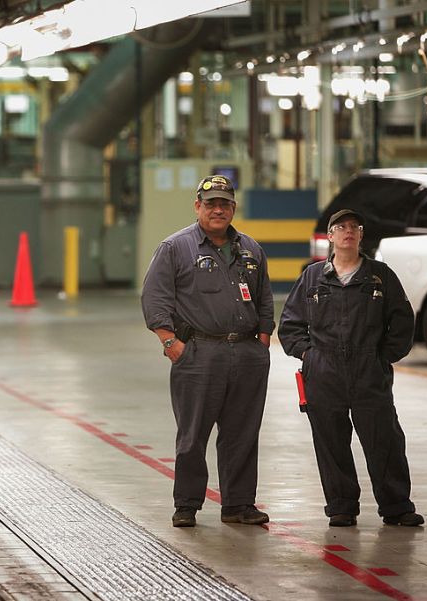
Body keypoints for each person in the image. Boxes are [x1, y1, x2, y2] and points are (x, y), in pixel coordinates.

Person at [141, 174, 274, 528]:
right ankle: (187, 504)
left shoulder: (250, 249)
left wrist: (262, 340)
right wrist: (171, 343)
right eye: (211, 203)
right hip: (198, 353)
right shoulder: (175, 248)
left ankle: (238, 503)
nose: (218, 210)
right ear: (197, 206)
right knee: (192, 434)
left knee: (242, 433)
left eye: (224, 204)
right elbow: (154, 298)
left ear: (233, 208)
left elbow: (264, 299)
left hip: (246, 353)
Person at [278, 209, 424, 528]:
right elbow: (289, 325)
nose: (347, 232)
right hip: (324, 373)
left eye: (353, 227)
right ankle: (341, 506)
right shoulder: (313, 277)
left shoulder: (380, 276)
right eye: (340, 227)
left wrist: (381, 357)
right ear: (329, 236)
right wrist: (310, 356)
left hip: (368, 372)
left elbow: (402, 320)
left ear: (360, 236)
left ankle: (397, 506)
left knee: (384, 440)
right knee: (331, 442)